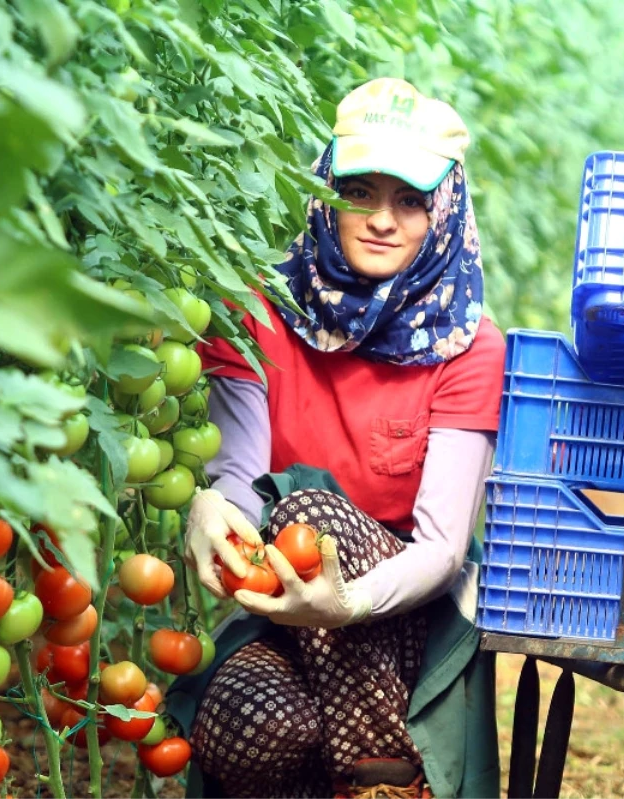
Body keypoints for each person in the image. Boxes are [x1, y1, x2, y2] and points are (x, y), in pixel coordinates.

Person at [180, 77, 506, 799]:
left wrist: (347, 604)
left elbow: (442, 548)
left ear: (443, 212)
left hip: (408, 621)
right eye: (359, 191)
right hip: (282, 613)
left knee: (307, 511)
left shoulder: (468, 346)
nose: (382, 219)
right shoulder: (257, 314)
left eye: (410, 200)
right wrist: (209, 506)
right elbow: (241, 478)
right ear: (325, 190)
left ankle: (381, 779)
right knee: (249, 721)